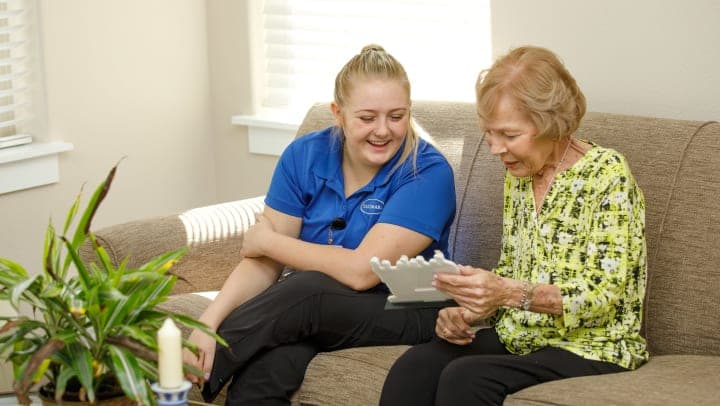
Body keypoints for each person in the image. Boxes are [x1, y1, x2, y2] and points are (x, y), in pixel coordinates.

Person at [184, 44, 456, 405]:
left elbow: (362, 273)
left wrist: (268, 242)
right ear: (338, 114)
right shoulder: (304, 155)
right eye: (367, 117)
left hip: (406, 309)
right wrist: (208, 321)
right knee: (265, 371)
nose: (383, 130)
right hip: (317, 311)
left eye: (396, 116)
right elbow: (262, 265)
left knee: (308, 290)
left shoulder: (428, 172)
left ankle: (210, 359)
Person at [380, 45, 649, 405]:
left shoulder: (607, 176)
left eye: (508, 135)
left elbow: (603, 295)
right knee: (414, 367)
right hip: (522, 335)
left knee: (467, 379)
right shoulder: (520, 173)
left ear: (550, 124)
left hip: (592, 346)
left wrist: (506, 293)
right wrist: (472, 308)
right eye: (489, 134)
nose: (495, 148)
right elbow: (514, 268)